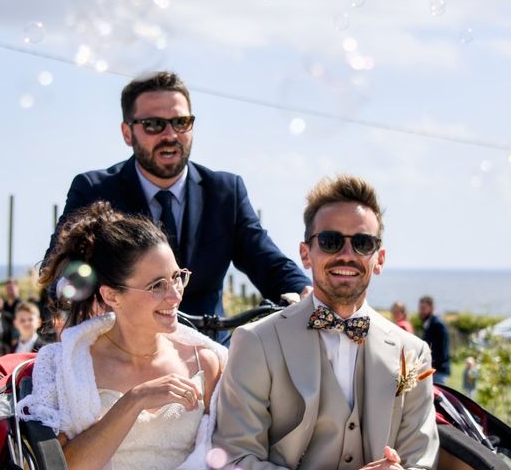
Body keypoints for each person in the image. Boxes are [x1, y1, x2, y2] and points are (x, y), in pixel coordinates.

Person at [213, 175, 439, 470]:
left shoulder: (413, 353)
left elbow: (422, 462)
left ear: (379, 258)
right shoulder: (257, 342)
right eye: (330, 242)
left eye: (362, 243)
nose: (347, 255)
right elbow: (234, 459)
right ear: (306, 254)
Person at [45, 71, 312, 316]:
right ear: (128, 133)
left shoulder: (225, 192)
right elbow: (58, 271)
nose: (170, 134)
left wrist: (303, 291)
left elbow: (266, 260)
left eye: (181, 122)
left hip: (206, 352)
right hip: (123, 353)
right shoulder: (95, 190)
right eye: (153, 124)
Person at [19, 201, 227, 470]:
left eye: (176, 277)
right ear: (111, 295)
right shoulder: (67, 366)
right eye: (157, 285)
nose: (175, 295)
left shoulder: (206, 363)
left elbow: (227, 454)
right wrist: (134, 400)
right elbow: (63, 466)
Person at [418, 295, 450, 385]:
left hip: (437, 371)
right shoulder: (429, 323)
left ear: (431, 308)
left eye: (424, 308)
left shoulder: (438, 324)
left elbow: (441, 351)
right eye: (420, 308)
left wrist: (430, 365)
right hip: (432, 369)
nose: (421, 311)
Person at [1, 278, 22, 349]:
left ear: (17, 288)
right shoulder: (3, 305)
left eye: (11, 288)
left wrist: (15, 336)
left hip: (18, 341)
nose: (10, 290)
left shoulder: (21, 305)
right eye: (7, 288)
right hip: (5, 342)